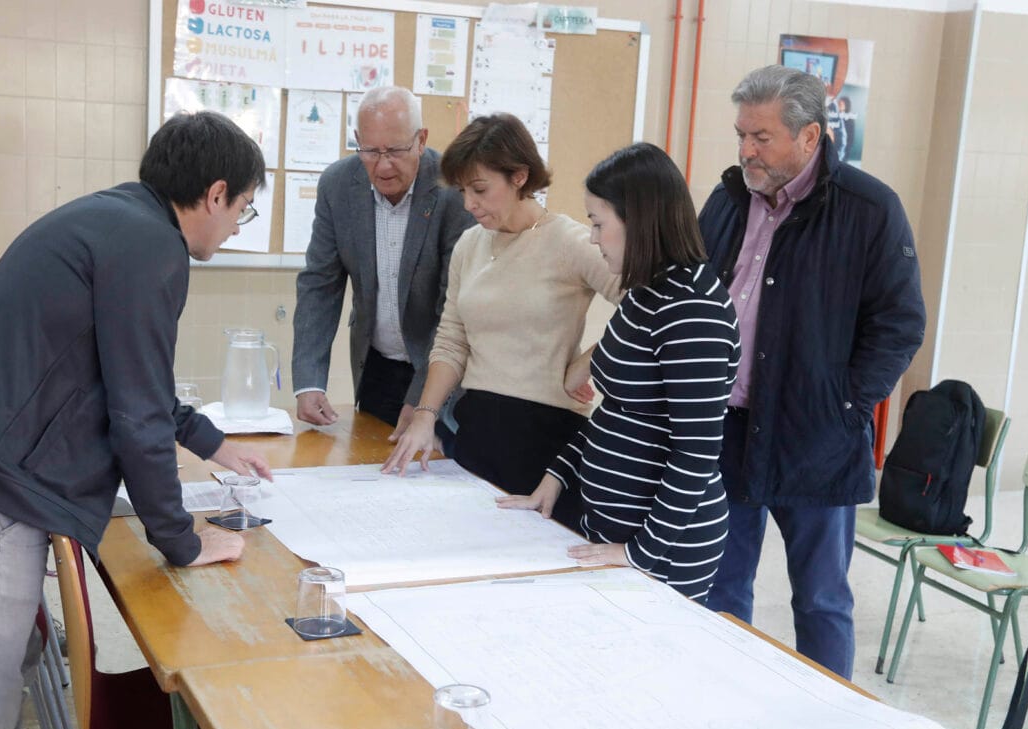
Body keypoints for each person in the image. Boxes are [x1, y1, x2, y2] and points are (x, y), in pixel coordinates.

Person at [0, 111, 273, 729]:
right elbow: (137, 414)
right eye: (243, 209)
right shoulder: (152, 245)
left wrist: (212, 442)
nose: (235, 228)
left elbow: (127, 377)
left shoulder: (120, 219)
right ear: (216, 193)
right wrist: (182, 540)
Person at [699, 65, 925, 680]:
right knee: (720, 590)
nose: (746, 150)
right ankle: (723, 705)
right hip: (726, 432)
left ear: (810, 137)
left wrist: (844, 406)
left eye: (761, 137)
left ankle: (830, 721)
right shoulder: (725, 199)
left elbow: (900, 323)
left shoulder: (869, 209)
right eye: (741, 134)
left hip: (815, 437)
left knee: (821, 599)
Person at [498, 143, 739, 600]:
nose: (592, 238)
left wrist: (639, 553)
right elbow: (620, 413)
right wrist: (558, 476)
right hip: (613, 527)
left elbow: (696, 455)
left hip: (664, 550)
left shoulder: (693, 310)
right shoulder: (647, 291)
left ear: (639, 220)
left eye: (597, 223)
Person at [383, 113, 621, 510]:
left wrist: (587, 362)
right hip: (477, 428)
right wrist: (425, 414)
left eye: (479, 189)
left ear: (519, 177)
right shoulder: (469, 245)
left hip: (545, 438)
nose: (468, 204)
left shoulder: (570, 241)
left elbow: (648, 305)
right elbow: (451, 341)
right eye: (462, 191)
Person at [292, 86, 475, 435]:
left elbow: (452, 308)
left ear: (421, 140)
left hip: (441, 371)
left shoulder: (453, 191)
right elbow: (319, 284)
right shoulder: (337, 186)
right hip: (376, 367)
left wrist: (424, 401)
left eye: (395, 150)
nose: (383, 165)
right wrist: (309, 381)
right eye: (370, 151)